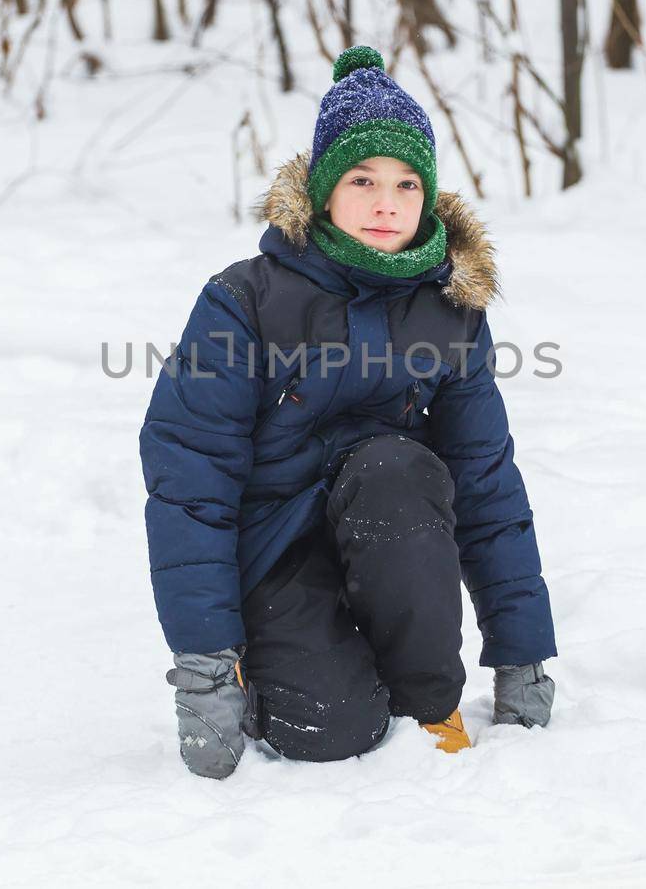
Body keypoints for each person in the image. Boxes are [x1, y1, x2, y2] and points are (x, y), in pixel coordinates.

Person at [141, 46, 557, 780]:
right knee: (331, 732)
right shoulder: (244, 302)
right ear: (325, 189)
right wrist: (204, 662)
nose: (385, 201)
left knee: (398, 465)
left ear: (427, 197)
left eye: (405, 183)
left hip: (392, 535)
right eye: (362, 179)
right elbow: (190, 479)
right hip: (275, 553)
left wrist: (522, 649)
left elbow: (487, 480)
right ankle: (300, 670)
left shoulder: (452, 314)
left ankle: (429, 699)